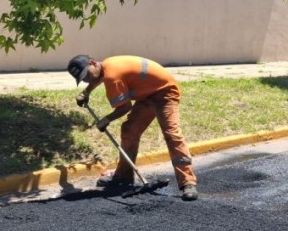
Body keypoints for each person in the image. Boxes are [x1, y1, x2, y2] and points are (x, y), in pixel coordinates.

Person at [67, 55, 199, 201]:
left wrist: (106, 120)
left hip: (165, 92)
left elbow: (124, 108)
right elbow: (97, 78)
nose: (87, 80)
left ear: (92, 63)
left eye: (87, 75)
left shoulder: (113, 76)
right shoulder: (105, 67)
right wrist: (86, 92)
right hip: (147, 94)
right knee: (129, 130)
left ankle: (188, 182)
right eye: (83, 79)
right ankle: (124, 176)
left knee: (172, 134)